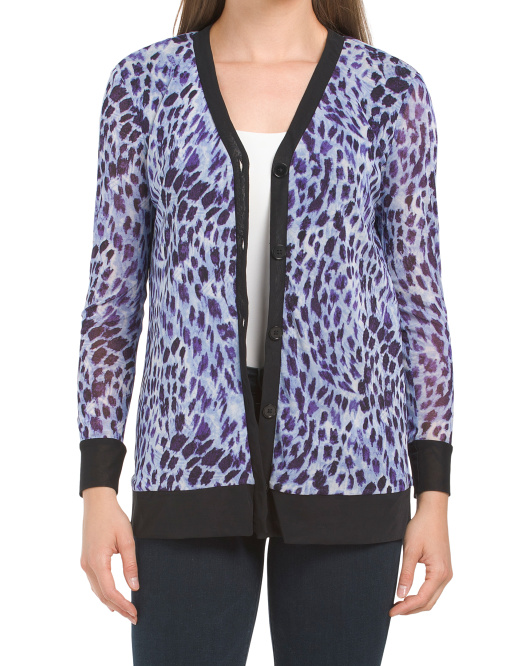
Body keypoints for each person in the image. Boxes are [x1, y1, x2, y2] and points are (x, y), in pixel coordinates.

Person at [78, 1, 454, 664]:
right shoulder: (145, 85)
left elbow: (420, 299)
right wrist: (98, 483)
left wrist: (435, 491)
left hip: (349, 468)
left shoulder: (390, 92)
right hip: (188, 459)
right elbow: (112, 297)